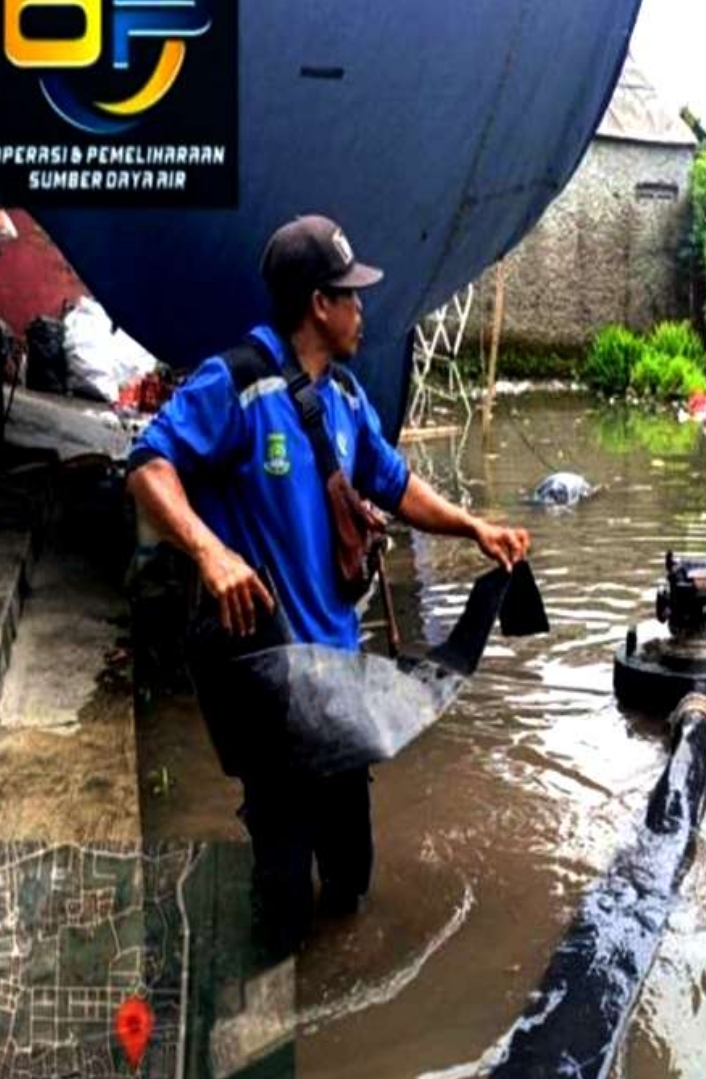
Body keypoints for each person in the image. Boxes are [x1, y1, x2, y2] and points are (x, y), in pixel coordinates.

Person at [128, 214, 532, 952]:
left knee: (350, 879)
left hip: (340, 690)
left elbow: (398, 484)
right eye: (350, 294)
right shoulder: (238, 383)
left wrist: (475, 527)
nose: (362, 309)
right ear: (319, 303)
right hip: (275, 687)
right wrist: (212, 554)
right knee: (280, 899)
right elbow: (148, 464)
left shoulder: (345, 398)